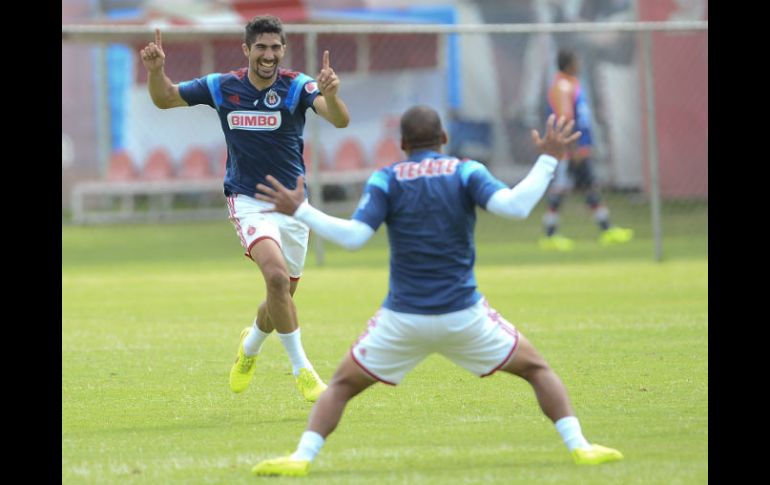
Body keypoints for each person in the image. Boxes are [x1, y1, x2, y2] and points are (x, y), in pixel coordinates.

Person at [249, 106, 623, 476]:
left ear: (403, 144)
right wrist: (548, 159)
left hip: (402, 319)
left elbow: (354, 237)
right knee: (537, 370)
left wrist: (302, 211)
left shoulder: (386, 179)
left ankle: (301, 457)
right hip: (464, 315)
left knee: (342, 386)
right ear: (443, 138)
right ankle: (580, 446)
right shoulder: (465, 171)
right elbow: (516, 207)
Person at [139, 15, 351, 402]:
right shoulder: (222, 86)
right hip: (248, 200)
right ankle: (303, 370)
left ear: (283, 50)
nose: (268, 55)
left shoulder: (297, 86)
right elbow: (165, 97)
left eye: (275, 48)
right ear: (246, 50)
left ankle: (250, 345)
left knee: (282, 294)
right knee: (276, 280)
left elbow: (339, 119)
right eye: (261, 47)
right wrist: (156, 72)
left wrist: (332, 94)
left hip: (292, 205)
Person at [540, 48, 633, 251]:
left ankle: (606, 229)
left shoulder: (572, 84)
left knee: (589, 187)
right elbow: (565, 118)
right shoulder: (562, 86)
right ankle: (550, 234)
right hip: (569, 150)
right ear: (569, 64)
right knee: (560, 189)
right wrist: (572, 148)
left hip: (579, 148)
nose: (579, 65)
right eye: (576, 61)